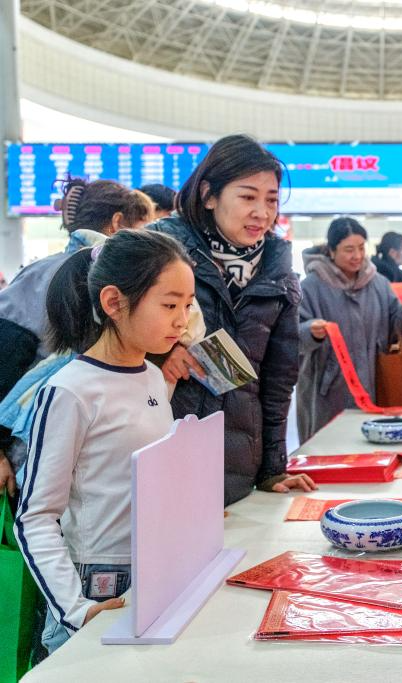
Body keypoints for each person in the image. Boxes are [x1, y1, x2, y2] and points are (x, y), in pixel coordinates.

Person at [15, 229, 194, 653]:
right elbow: (35, 517)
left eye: (187, 305)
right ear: (113, 303)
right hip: (93, 581)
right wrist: (76, 609)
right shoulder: (70, 391)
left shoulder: (153, 377)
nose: (182, 321)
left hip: (152, 567)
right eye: (169, 305)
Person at [153, 135, 315, 505]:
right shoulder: (158, 250)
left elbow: (277, 381)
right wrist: (159, 355)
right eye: (247, 197)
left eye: (271, 200)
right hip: (162, 452)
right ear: (209, 195)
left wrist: (273, 468)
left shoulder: (278, 271)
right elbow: (100, 333)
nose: (262, 212)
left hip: (238, 466)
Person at [0, 178, 154, 494]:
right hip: (37, 454)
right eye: (142, 230)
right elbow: (5, 363)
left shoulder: (39, 272)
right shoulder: (65, 276)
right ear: (117, 223)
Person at [296, 217, 402, 441]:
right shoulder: (310, 287)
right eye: (349, 249)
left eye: (361, 248)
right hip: (327, 393)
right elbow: (290, 338)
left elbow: (396, 327)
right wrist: (311, 331)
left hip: (373, 386)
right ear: (332, 251)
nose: (357, 256)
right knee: (329, 449)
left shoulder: (378, 283)